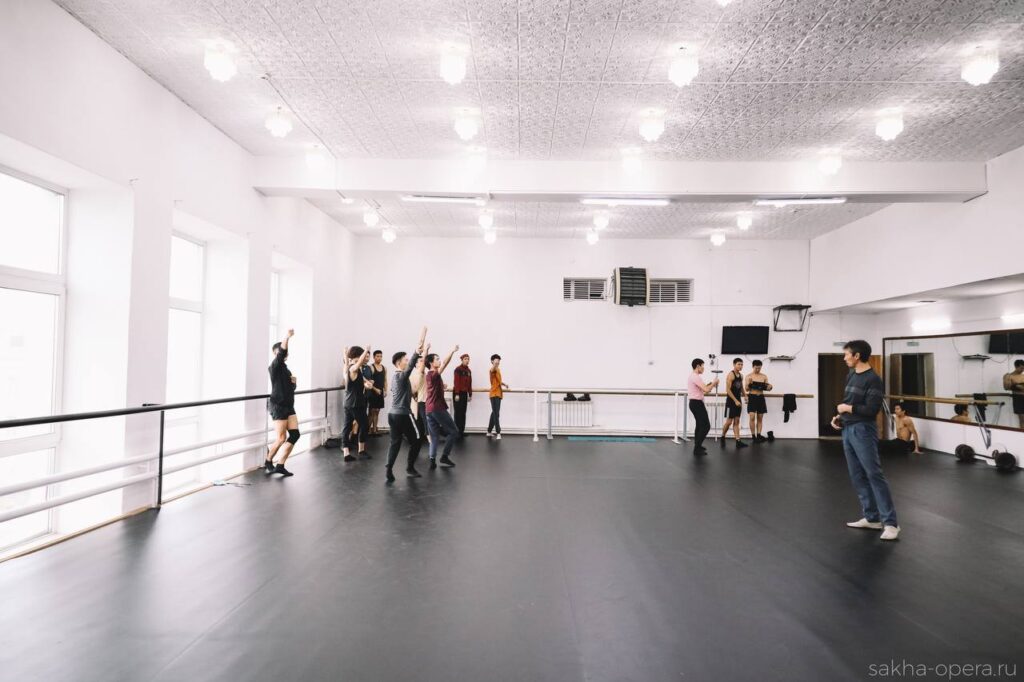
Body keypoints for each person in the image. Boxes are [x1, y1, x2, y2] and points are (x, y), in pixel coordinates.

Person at [831, 339, 900, 541]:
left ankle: (891, 524)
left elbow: (871, 410)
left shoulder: (873, 379)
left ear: (857, 355)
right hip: (848, 428)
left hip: (863, 431)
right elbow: (849, 402)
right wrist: (839, 417)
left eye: (847, 354)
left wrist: (847, 409)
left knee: (873, 474)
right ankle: (872, 518)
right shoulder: (851, 375)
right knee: (857, 475)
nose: (844, 358)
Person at [385, 327, 428, 482]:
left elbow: (401, 392)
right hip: (403, 414)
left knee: (395, 442)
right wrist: (417, 352)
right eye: (405, 359)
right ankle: (410, 468)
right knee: (417, 439)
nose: (407, 361)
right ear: (399, 363)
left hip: (392, 414)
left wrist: (412, 394)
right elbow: (410, 368)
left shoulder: (394, 378)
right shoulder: (402, 376)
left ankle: (389, 468)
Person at [265, 329, 299, 477]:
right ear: (276, 353)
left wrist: (294, 383)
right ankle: (268, 460)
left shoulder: (286, 369)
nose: (285, 352)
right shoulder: (274, 366)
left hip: (289, 405)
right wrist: (287, 337)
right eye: (281, 351)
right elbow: (282, 352)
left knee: (295, 435)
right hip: (278, 406)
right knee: (281, 438)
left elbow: (289, 389)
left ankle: (280, 465)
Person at [425, 344, 461, 469]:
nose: (439, 361)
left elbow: (433, 388)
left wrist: (442, 386)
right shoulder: (434, 374)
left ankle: (432, 460)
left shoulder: (429, 375)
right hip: (437, 408)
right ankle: (444, 456)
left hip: (429, 409)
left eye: (439, 359)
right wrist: (452, 351)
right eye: (437, 359)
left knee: (434, 436)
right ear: (431, 363)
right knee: (454, 432)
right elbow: (445, 363)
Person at [343, 345, 374, 462]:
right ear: (358, 356)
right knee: (365, 425)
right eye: (362, 356)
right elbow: (358, 363)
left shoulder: (349, 368)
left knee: (347, 427)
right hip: (356, 404)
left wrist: (366, 385)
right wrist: (366, 350)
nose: (364, 358)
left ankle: (346, 453)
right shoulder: (353, 368)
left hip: (348, 403)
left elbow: (357, 382)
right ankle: (361, 451)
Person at [688, 358, 719, 456]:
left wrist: (712, 384)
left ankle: (698, 445)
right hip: (696, 403)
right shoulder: (695, 377)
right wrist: (714, 383)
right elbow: (706, 389)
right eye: (702, 366)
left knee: (699, 425)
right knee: (706, 426)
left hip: (695, 403)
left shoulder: (694, 376)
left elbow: (704, 389)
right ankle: (697, 448)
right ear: (698, 366)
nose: (703, 368)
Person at [720, 358, 748, 448]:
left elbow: (741, 387)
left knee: (737, 421)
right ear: (734, 364)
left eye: (741, 364)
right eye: (739, 364)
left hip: (738, 401)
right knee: (729, 422)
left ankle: (738, 441)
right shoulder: (730, 375)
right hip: (730, 402)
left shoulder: (741, 376)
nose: (740, 366)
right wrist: (735, 400)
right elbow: (728, 390)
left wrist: (745, 395)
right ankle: (722, 436)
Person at [745, 360, 772, 443]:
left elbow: (767, 387)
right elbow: (746, 389)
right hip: (752, 397)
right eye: (756, 368)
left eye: (759, 368)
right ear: (753, 367)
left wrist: (770, 387)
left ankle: (759, 435)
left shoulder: (764, 376)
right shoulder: (748, 376)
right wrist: (749, 384)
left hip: (760, 397)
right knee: (752, 417)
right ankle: (753, 436)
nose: (757, 370)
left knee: (760, 418)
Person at [487, 354, 509, 439]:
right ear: (492, 361)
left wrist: (504, 384)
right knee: (496, 414)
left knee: (494, 413)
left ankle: (489, 431)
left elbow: (498, 381)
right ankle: (498, 432)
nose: (498, 362)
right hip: (494, 394)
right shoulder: (492, 369)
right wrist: (495, 364)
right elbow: (492, 370)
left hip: (498, 394)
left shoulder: (498, 370)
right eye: (496, 361)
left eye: (498, 361)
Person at [452, 353, 473, 436]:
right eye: (465, 359)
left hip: (464, 393)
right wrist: (457, 394)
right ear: (462, 360)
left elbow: (470, 383)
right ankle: (456, 432)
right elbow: (456, 382)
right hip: (458, 393)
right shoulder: (458, 369)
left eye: (468, 359)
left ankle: (461, 431)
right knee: (458, 413)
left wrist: (470, 394)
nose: (467, 360)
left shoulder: (469, 371)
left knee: (463, 412)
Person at [367, 350, 387, 436]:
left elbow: (385, 380)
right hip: (372, 392)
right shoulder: (371, 367)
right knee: (371, 411)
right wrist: (375, 389)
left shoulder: (384, 368)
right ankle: (367, 431)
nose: (379, 358)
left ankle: (375, 430)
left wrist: (385, 390)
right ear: (374, 357)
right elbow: (368, 381)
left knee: (377, 411)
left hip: (380, 392)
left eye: (380, 356)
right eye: (377, 356)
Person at [1003, 359, 1024, 428]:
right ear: (1016, 366)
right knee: (1022, 418)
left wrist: (1018, 386)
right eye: (1021, 368)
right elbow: (1006, 387)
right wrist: (1016, 385)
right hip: (1018, 397)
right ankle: (1022, 433)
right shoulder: (1009, 376)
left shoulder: (1023, 376)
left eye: (1023, 368)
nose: (1022, 370)